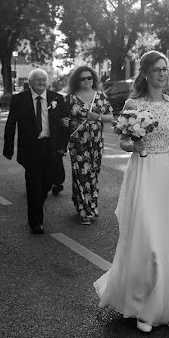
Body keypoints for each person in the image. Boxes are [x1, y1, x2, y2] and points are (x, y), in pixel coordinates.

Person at [94, 51, 169, 333]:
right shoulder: (132, 103)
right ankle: (141, 304)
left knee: (164, 238)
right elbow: (125, 141)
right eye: (157, 70)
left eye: (165, 69)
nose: (162, 74)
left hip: (163, 174)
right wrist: (134, 146)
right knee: (145, 238)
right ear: (146, 74)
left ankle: (158, 303)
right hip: (141, 173)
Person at [3, 69, 70, 234]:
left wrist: (63, 146)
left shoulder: (57, 98)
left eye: (43, 80)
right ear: (30, 82)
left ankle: (37, 202)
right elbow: (11, 124)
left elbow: (65, 125)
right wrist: (8, 147)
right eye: (37, 80)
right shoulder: (19, 99)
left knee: (47, 182)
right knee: (33, 185)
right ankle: (36, 222)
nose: (41, 82)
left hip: (51, 147)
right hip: (30, 149)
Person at [65, 65, 114, 225]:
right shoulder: (70, 98)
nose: (86, 81)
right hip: (78, 143)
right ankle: (87, 210)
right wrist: (63, 122)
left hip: (96, 142)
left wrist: (97, 116)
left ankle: (82, 202)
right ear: (76, 81)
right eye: (82, 78)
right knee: (82, 174)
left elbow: (111, 117)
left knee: (93, 174)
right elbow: (63, 119)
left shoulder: (100, 96)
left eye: (89, 78)